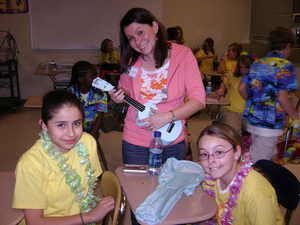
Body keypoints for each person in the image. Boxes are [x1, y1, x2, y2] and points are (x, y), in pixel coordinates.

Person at [109, 7, 205, 166]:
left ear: (154, 27)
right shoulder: (131, 62)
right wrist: (120, 96)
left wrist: (167, 117)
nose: (137, 42)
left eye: (140, 33)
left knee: (170, 188)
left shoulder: (183, 55)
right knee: (136, 188)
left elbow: (199, 100)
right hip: (135, 139)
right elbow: (126, 90)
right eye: (131, 38)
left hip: (171, 137)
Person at [12, 90, 115, 225]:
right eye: (61, 125)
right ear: (44, 126)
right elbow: (34, 221)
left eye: (77, 123)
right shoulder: (30, 163)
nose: (71, 133)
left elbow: (86, 190)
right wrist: (89, 217)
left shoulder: (87, 142)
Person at [197, 124, 284, 224]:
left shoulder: (256, 195)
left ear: (237, 152)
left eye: (219, 152)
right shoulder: (209, 177)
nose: (210, 160)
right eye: (204, 154)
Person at [238, 26, 298, 163]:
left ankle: (271, 179)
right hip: (270, 124)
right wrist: (296, 119)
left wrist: (255, 103)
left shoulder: (257, 63)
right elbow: (282, 97)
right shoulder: (285, 65)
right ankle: (241, 183)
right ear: (288, 46)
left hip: (254, 120)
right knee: (254, 164)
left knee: (271, 154)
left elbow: (241, 87)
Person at [216, 52, 257, 136]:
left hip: (249, 114)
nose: (242, 70)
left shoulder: (257, 79)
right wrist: (221, 89)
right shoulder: (234, 75)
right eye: (241, 67)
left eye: (245, 68)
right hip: (231, 111)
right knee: (234, 135)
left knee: (258, 135)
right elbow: (224, 83)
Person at [67, 61, 108, 141]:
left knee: (88, 149)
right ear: (81, 79)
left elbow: (100, 117)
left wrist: (90, 139)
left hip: (92, 129)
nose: (96, 78)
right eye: (93, 76)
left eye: (96, 75)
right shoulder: (69, 94)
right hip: (72, 129)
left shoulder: (100, 93)